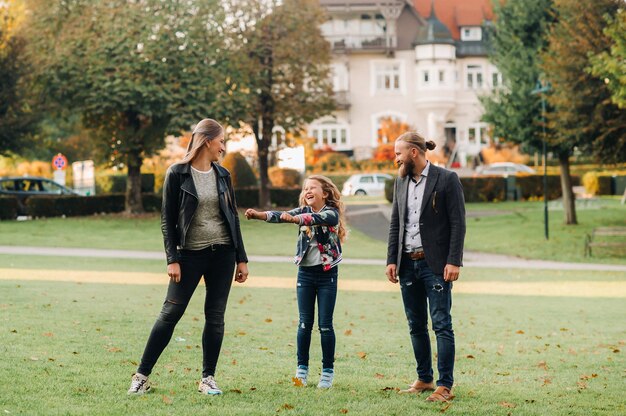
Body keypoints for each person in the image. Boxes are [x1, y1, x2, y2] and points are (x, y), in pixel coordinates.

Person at [128, 118, 249, 396]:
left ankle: (208, 379)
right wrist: (172, 258)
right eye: (221, 141)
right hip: (189, 255)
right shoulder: (177, 173)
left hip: (223, 253)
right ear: (207, 141)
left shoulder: (223, 175)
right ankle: (141, 376)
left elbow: (233, 218)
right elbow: (167, 220)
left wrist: (241, 258)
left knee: (215, 317)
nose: (223, 147)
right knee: (170, 313)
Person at [244, 175, 346, 389]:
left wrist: (296, 219)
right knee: (304, 324)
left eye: (313, 188)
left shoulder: (330, 213)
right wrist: (258, 215)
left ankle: (327, 372)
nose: (307, 191)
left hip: (327, 275)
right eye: (305, 188)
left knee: (325, 326)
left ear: (324, 193)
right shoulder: (302, 211)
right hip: (305, 275)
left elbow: (317, 220)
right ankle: (302, 370)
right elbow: (280, 216)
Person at [385, 132, 466, 402]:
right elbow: (396, 223)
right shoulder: (400, 182)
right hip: (407, 264)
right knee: (415, 324)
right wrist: (391, 260)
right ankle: (424, 379)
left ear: (414, 153)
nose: (395, 158)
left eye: (398, 153)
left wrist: (454, 260)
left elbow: (458, 222)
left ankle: (445, 385)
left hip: (436, 265)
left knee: (441, 324)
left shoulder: (446, 179)